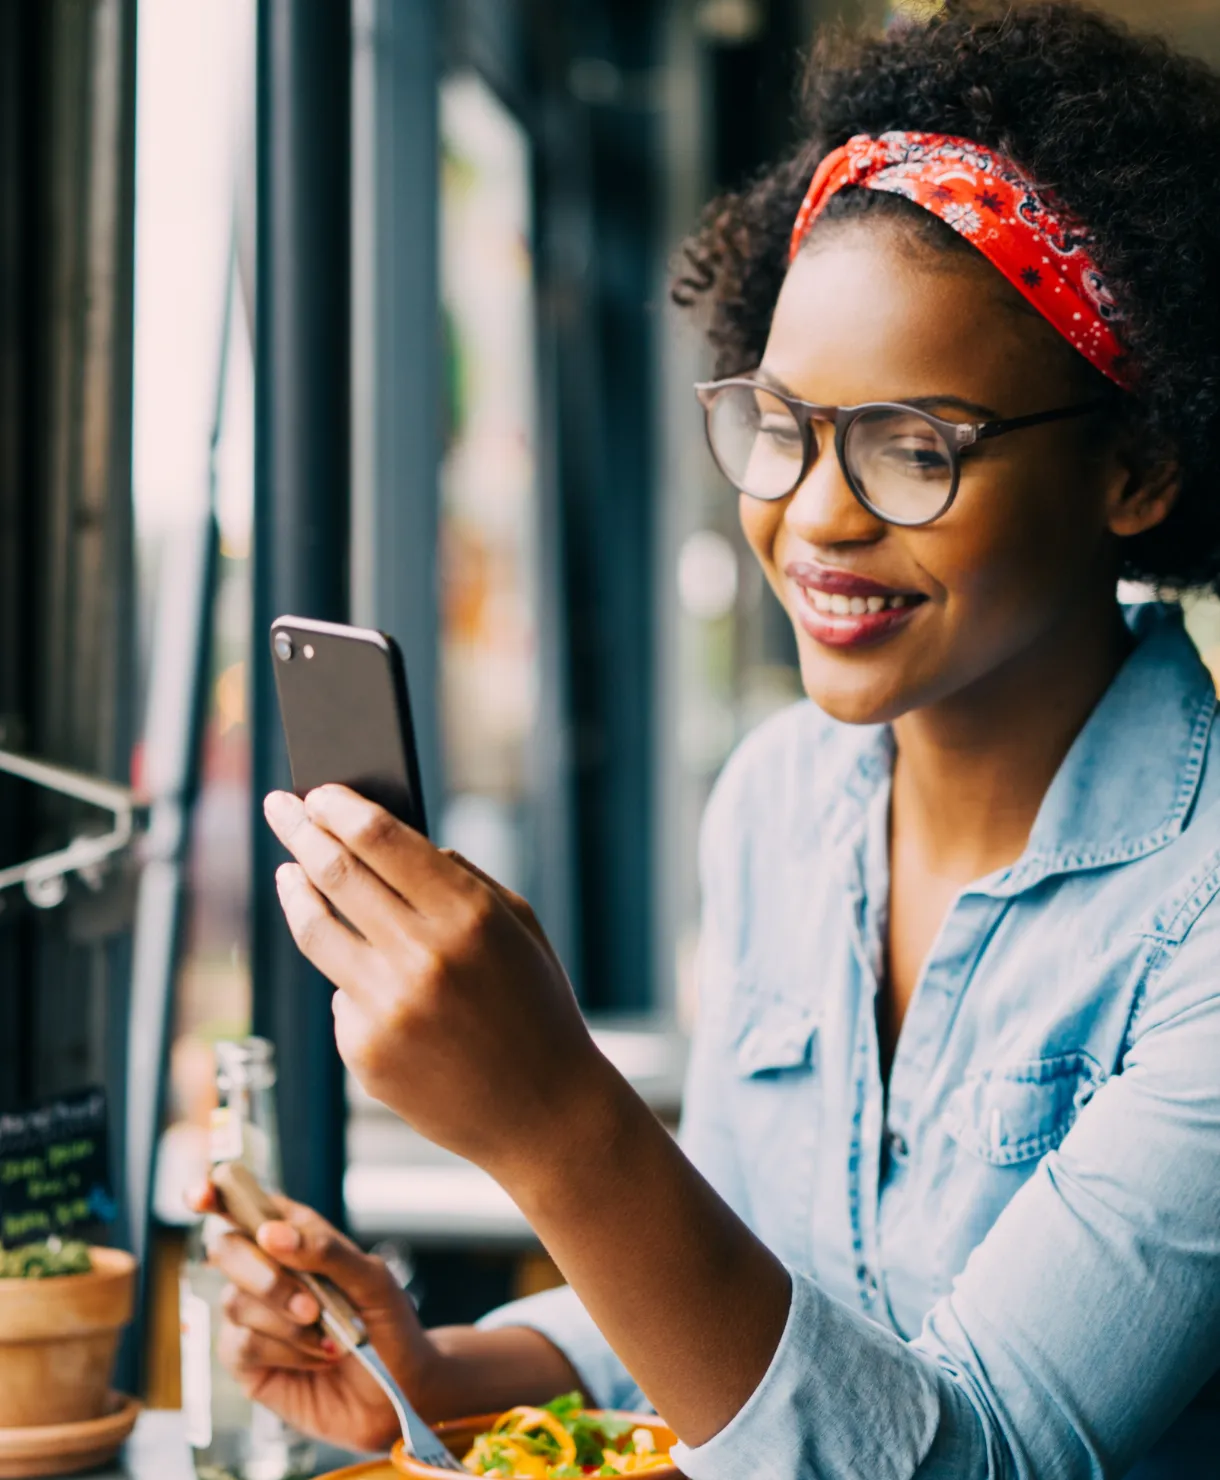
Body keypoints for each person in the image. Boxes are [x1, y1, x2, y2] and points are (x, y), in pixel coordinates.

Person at [198, 4, 1220, 1475]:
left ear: (1136, 468)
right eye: (781, 425)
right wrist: (437, 1371)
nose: (814, 515)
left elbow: (971, 1454)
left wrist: (556, 1121)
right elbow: (742, 1307)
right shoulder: (779, 805)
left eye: (912, 446)